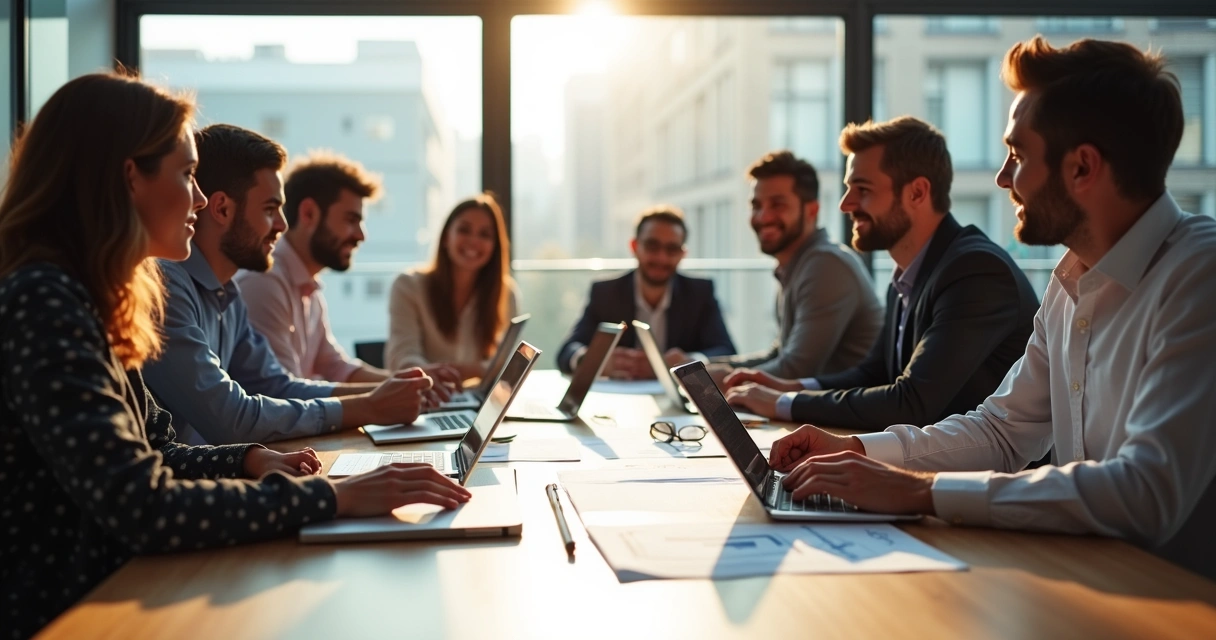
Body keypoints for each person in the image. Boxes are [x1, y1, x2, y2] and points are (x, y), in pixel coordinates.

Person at [0, 73, 470, 640]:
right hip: (73, 613)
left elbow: (159, 449)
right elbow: (138, 503)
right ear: (130, 179)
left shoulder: (96, 300)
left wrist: (246, 458)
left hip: (120, 589)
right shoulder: (43, 300)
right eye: (187, 175)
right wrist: (331, 496)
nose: (199, 198)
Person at [768, 37, 1216, 579]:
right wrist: (860, 450)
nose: (1003, 178)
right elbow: (1003, 431)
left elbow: (1145, 492)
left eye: (1019, 156)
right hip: (1087, 575)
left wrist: (922, 492)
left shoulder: (1199, 276)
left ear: (1082, 168)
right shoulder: (1071, 280)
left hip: (1177, 602)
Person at [722, 117, 1039, 429]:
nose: (846, 205)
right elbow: (872, 374)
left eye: (862, 189)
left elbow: (912, 402)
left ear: (917, 193)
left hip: (990, 477)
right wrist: (786, 388)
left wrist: (783, 404)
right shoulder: (908, 275)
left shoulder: (975, 272)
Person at [144, 124, 444, 445]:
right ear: (222, 209)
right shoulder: (166, 286)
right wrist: (370, 406)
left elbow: (277, 385)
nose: (282, 225)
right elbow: (231, 417)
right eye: (270, 210)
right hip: (192, 483)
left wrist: (387, 396)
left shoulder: (228, 295)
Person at [235, 151, 460, 389]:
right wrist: (386, 397)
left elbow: (336, 367)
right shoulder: (265, 282)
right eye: (351, 220)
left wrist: (412, 384)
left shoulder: (308, 289)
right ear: (308, 213)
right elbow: (283, 395)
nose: (361, 235)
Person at [702, 151, 883, 384]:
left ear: (812, 210)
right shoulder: (797, 266)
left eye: (777, 204)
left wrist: (723, 379)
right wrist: (704, 367)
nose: (763, 216)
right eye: (756, 205)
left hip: (844, 417)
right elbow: (778, 354)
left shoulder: (826, 266)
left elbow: (796, 368)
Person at [556, 205, 736, 378]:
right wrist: (596, 362)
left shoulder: (699, 293)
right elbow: (567, 351)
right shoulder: (606, 292)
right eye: (652, 246)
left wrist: (688, 362)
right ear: (634, 246)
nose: (661, 257)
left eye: (672, 249)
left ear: (682, 254)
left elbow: (726, 352)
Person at [385, 194, 520, 381]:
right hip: (424, 396)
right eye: (464, 230)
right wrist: (433, 376)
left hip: (479, 401)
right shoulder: (408, 287)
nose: (473, 241)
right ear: (446, 238)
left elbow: (508, 364)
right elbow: (402, 357)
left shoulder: (506, 293)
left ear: (495, 246)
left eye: (485, 234)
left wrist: (468, 370)